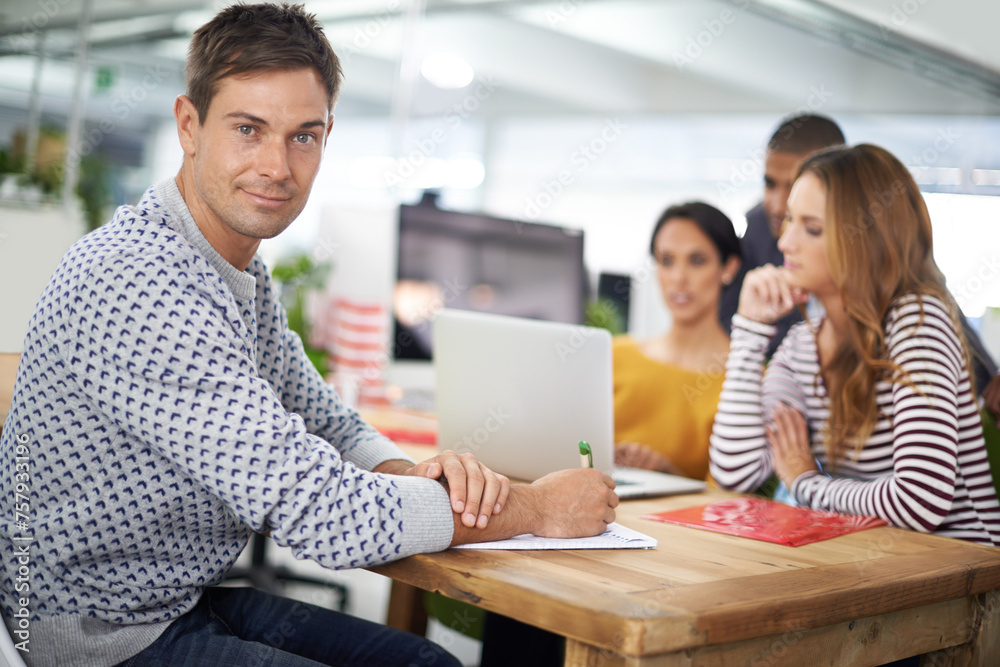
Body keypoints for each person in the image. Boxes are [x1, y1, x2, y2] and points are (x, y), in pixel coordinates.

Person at [0, 5, 618, 667]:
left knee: (427, 664)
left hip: (170, 600)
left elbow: (325, 421)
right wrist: (536, 508)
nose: (277, 166)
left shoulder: (236, 272)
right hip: (92, 632)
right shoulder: (141, 280)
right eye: (248, 129)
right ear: (189, 126)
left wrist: (416, 474)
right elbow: (325, 513)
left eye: (303, 136)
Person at [710, 143, 1000, 547]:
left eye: (812, 229)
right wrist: (749, 328)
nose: (785, 243)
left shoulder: (917, 320)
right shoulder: (802, 345)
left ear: (867, 240)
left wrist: (806, 483)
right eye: (790, 220)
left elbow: (920, 500)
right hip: (875, 562)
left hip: (962, 566)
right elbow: (735, 470)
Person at [719, 114, 999, 392]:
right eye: (769, 184)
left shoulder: (914, 325)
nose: (779, 205)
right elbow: (727, 321)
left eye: (812, 228)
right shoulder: (758, 230)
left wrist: (988, 378)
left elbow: (933, 303)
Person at [613, 202, 742, 479]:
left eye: (697, 261)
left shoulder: (743, 380)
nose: (678, 278)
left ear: (729, 267)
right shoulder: (614, 356)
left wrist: (667, 473)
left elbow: (733, 495)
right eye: (667, 261)